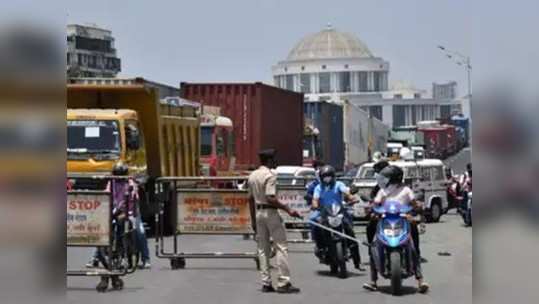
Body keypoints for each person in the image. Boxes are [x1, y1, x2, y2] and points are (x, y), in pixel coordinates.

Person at [363, 165, 429, 293]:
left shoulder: (406, 190)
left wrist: (417, 209)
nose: (383, 180)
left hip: (403, 220)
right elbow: (375, 204)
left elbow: (414, 204)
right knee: (374, 247)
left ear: (393, 178)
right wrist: (371, 209)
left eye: (386, 177)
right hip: (385, 220)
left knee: (414, 248)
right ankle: (373, 281)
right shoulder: (382, 191)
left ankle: (420, 280)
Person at [248, 149, 301, 293]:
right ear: (269, 161)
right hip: (270, 213)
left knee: (262, 249)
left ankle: (266, 283)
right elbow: (270, 197)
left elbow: (250, 199)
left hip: (258, 213)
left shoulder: (252, 176)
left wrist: (253, 220)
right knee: (281, 246)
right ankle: (283, 282)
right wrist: (288, 209)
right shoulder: (270, 176)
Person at [86, 162, 151, 269]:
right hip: (114, 212)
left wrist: (124, 210)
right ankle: (95, 258)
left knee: (140, 231)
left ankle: (146, 259)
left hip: (130, 212)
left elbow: (133, 198)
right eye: (116, 174)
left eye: (121, 174)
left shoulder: (131, 183)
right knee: (103, 231)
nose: (118, 177)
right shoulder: (111, 183)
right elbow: (107, 194)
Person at [311, 165, 364, 271]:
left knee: (350, 232)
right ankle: (320, 245)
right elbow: (315, 199)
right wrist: (315, 204)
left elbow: (347, 192)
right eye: (325, 176)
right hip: (324, 212)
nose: (327, 179)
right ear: (321, 177)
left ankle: (357, 262)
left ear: (333, 176)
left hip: (339, 211)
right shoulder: (318, 187)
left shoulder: (339, 184)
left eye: (329, 176)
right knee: (313, 222)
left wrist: (351, 198)